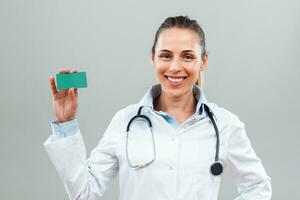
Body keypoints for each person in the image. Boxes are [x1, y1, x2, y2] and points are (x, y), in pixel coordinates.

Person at [44, 16, 272, 200]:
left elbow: (258, 187)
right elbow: (84, 193)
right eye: (165, 55)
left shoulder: (225, 124)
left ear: (203, 62)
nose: (175, 67)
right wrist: (66, 124)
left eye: (187, 56)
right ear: (153, 59)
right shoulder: (125, 121)